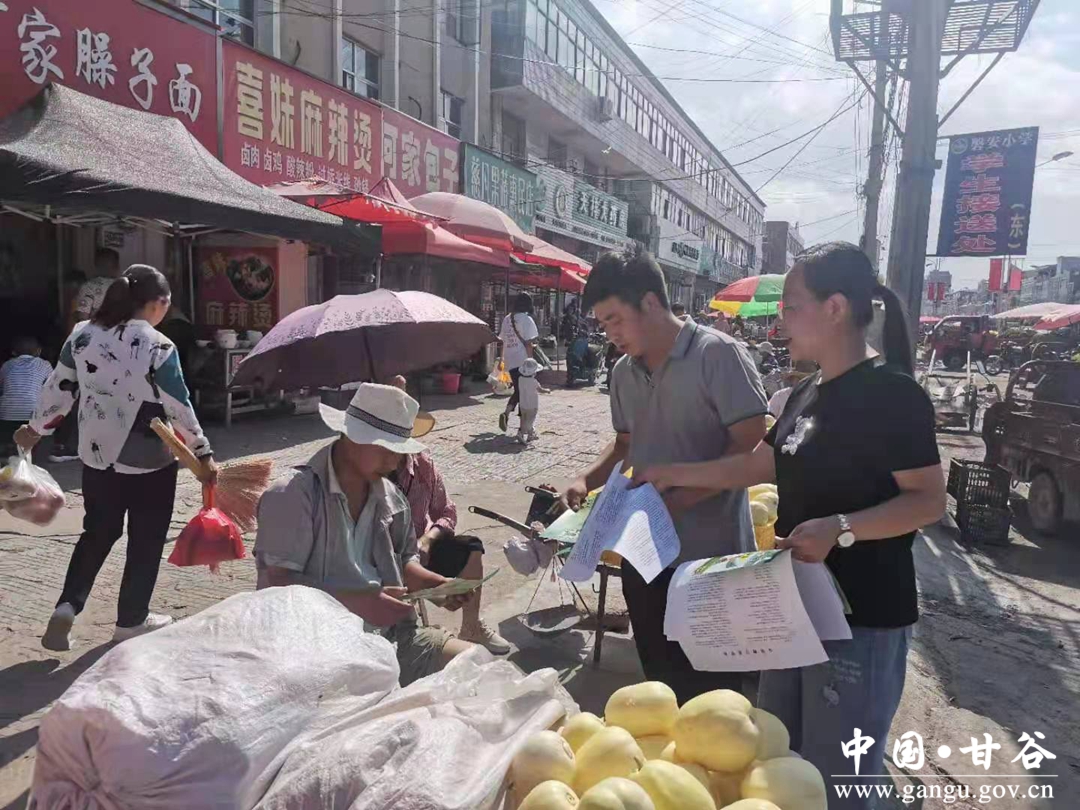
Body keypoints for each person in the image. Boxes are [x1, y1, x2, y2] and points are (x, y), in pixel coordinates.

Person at [633, 242, 945, 810]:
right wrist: (669, 472)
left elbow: (928, 501)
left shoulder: (893, 394)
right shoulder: (805, 392)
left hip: (863, 620)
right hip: (791, 611)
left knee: (837, 782)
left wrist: (841, 528)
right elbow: (756, 465)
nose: (781, 320)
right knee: (778, 764)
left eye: (792, 305)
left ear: (835, 308)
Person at [559, 246, 768, 704]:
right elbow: (625, 445)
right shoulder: (622, 372)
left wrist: (681, 499)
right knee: (660, 680)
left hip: (710, 559)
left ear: (650, 302)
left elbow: (751, 446)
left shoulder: (718, 355)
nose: (610, 334)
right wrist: (585, 479)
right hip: (645, 557)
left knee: (715, 696)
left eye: (615, 320)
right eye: (603, 324)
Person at [16, 264, 216, 651]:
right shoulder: (159, 345)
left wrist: (36, 428)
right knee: (146, 539)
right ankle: (130, 620)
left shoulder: (82, 334)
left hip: (96, 455)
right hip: (148, 459)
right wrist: (202, 452)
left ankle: (67, 606)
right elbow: (178, 405)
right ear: (157, 304)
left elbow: (59, 388)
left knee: (98, 532)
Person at [254, 383, 476, 686]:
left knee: (477, 665)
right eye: (384, 448)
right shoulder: (293, 495)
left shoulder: (392, 499)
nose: (393, 462)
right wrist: (360, 603)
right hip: (311, 656)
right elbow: (277, 587)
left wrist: (433, 585)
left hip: (391, 640)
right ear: (349, 436)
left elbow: (405, 559)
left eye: (398, 452)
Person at [386, 376, 510, 655]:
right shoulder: (368, 473)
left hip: (421, 553)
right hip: (383, 561)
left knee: (472, 547)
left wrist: (428, 539)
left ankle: (471, 627)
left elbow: (447, 511)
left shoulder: (422, 464)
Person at [0, 337, 53, 456]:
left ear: (14, 352)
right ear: (39, 351)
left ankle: (10, 447)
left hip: (6, 418)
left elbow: (2, 388)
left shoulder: (7, 365)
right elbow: (51, 388)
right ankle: (35, 450)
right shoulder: (45, 365)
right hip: (32, 418)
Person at [497, 292, 540, 434]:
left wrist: (501, 359)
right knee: (524, 393)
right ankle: (523, 427)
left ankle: (508, 413)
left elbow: (503, 341)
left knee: (519, 390)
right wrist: (531, 363)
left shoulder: (507, 319)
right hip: (523, 361)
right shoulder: (527, 320)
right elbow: (529, 344)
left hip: (510, 360)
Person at [516, 357, 541, 444]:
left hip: (523, 404)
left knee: (524, 418)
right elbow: (540, 389)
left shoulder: (520, 379)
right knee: (530, 421)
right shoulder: (534, 381)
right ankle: (521, 433)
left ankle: (530, 434)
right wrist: (547, 390)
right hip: (532, 405)